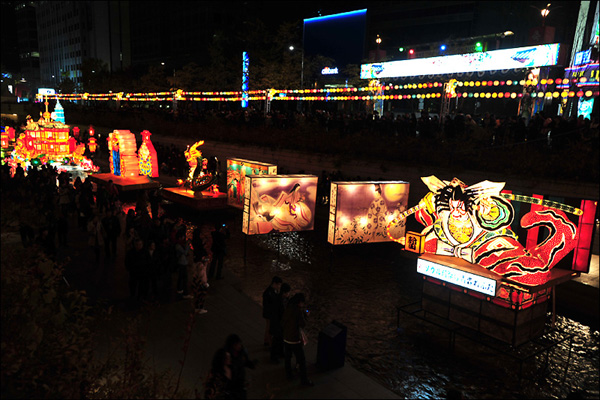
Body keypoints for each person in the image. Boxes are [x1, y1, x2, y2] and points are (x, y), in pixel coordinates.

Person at [282, 292, 313, 386]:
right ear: (299, 302)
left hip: (286, 337)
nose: (303, 304)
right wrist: (305, 316)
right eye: (302, 303)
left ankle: (289, 375)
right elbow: (302, 324)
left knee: (287, 357)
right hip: (294, 339)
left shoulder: (288, 307)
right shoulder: (298, 311)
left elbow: (284, 321)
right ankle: (304, 380)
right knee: (302, 360)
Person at [224, 334, 256, 399]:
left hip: (240, 383)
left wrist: (251, 364)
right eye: (237, 344)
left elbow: (245, 361)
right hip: (231, 386)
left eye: (239, 344)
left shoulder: (242, 352)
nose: (239, 346)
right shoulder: (227, 356)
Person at [270, 282, 291, 362]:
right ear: (284, 292)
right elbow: (276, 314)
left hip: (282, 324)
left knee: (282, 339)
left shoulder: (285, 300)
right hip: (278, 324)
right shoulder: (278, 301)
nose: (289, 294)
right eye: (288, 292)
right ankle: (274, 356)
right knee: (276, 340)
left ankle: (281, 352)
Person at [262, 276, 283, 347]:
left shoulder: (272, 291)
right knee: (269, 328)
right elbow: (268, 304)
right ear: (274, 283)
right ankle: (268, 342)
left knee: (268, 327)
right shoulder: (269, 293)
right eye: (279, 284)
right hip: (269, 314)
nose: (279, 286)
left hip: (269, 313)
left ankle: (266, 341)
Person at [175, 230, 193, 299]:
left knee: (181, 277)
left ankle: (180, 290)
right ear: (180, 238)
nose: (184, 238)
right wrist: (188, 245)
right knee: (184, 278)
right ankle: (185, 293)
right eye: (183, 237)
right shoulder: (178, 245)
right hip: (182, 263)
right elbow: (185, 252)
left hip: (183, 262)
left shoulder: (180, 244)